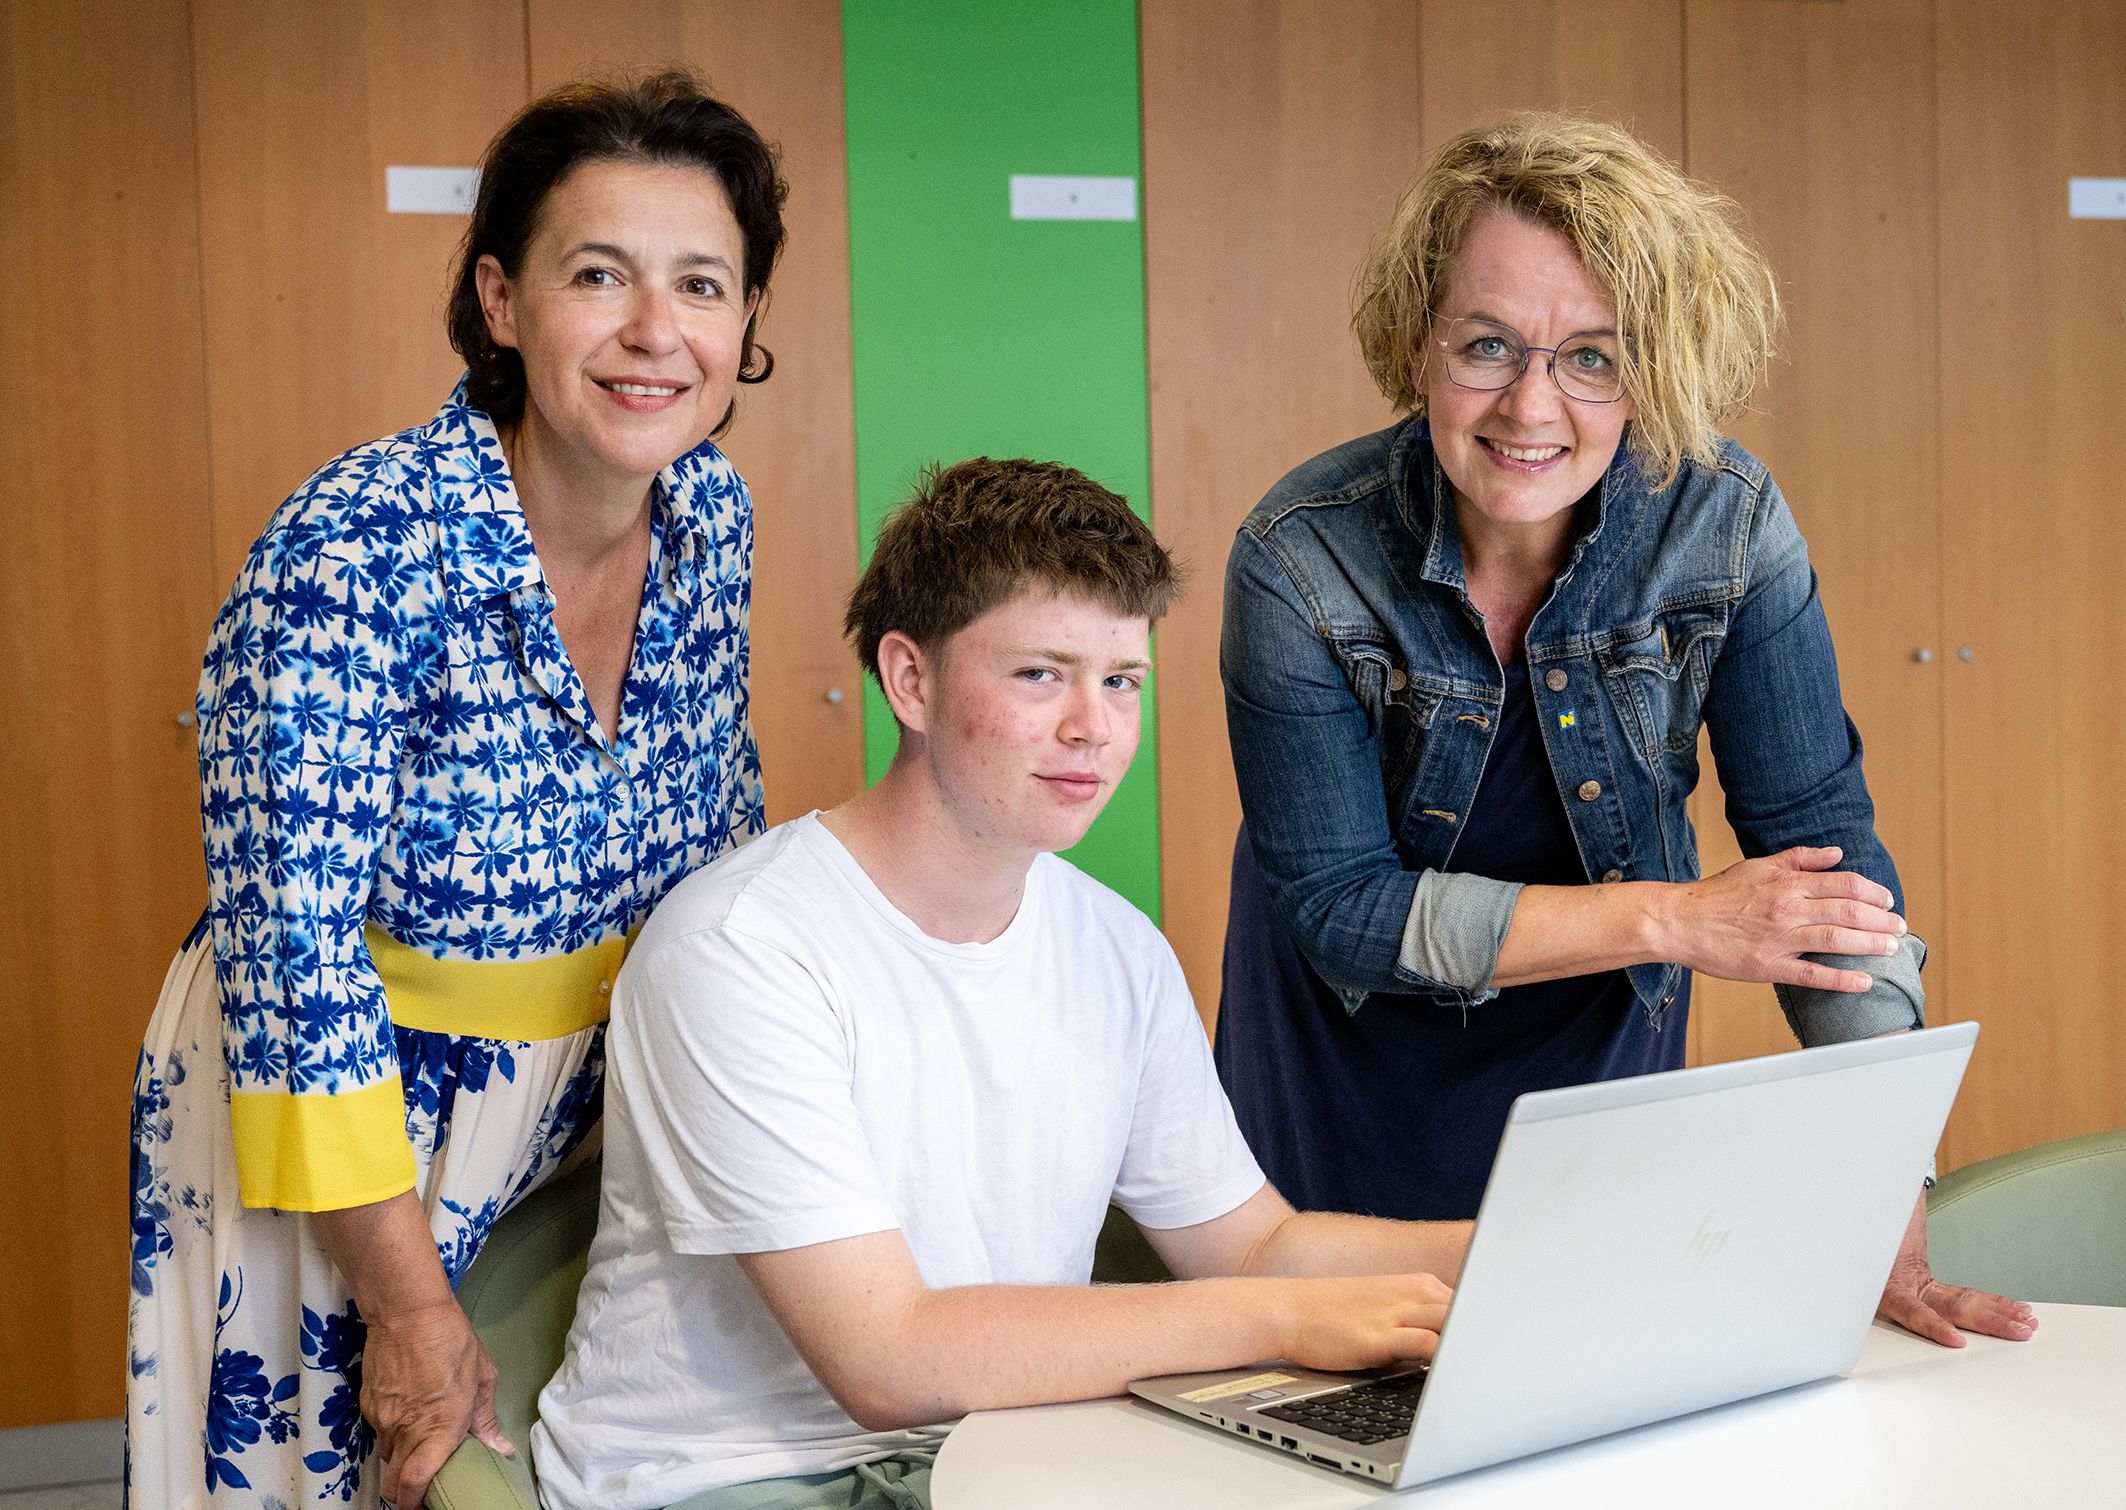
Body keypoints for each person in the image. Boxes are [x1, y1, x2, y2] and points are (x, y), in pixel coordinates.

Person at [1213, 111, 2031, 1348]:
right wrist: (1674, 918)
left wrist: (1879, 1168)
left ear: (1652, 366)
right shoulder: (1300, 556)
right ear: (1416, 342)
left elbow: (1820, 851)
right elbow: (1341, 908)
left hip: (1589, 1058)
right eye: (1487, 344)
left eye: (1593, 356)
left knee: (1573, 1376)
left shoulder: (1727, 526)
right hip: (1338, 1067)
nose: (1531, 405)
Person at [532, 459, 1471, 1510]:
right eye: (1040, 673)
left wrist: (1494, 1253)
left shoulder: (1116, 948)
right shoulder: (739, 946)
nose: (1093, 726)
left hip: (1002, 1458)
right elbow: (887, 1357)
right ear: (910, 680)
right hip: (729, 1476)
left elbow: (1252, 1244)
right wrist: (1280, 1321)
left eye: (1120, 679)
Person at [125, 72, 788, 1509]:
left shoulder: (711, 516)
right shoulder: (354, 547)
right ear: (500, 300)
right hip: (340, 1123)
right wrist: (408, 1300)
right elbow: (289, 960)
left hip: (585, 1108)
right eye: (597, 275)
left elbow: (719, 833)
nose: (653, 333)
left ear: (744, 326)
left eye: (701, 285)